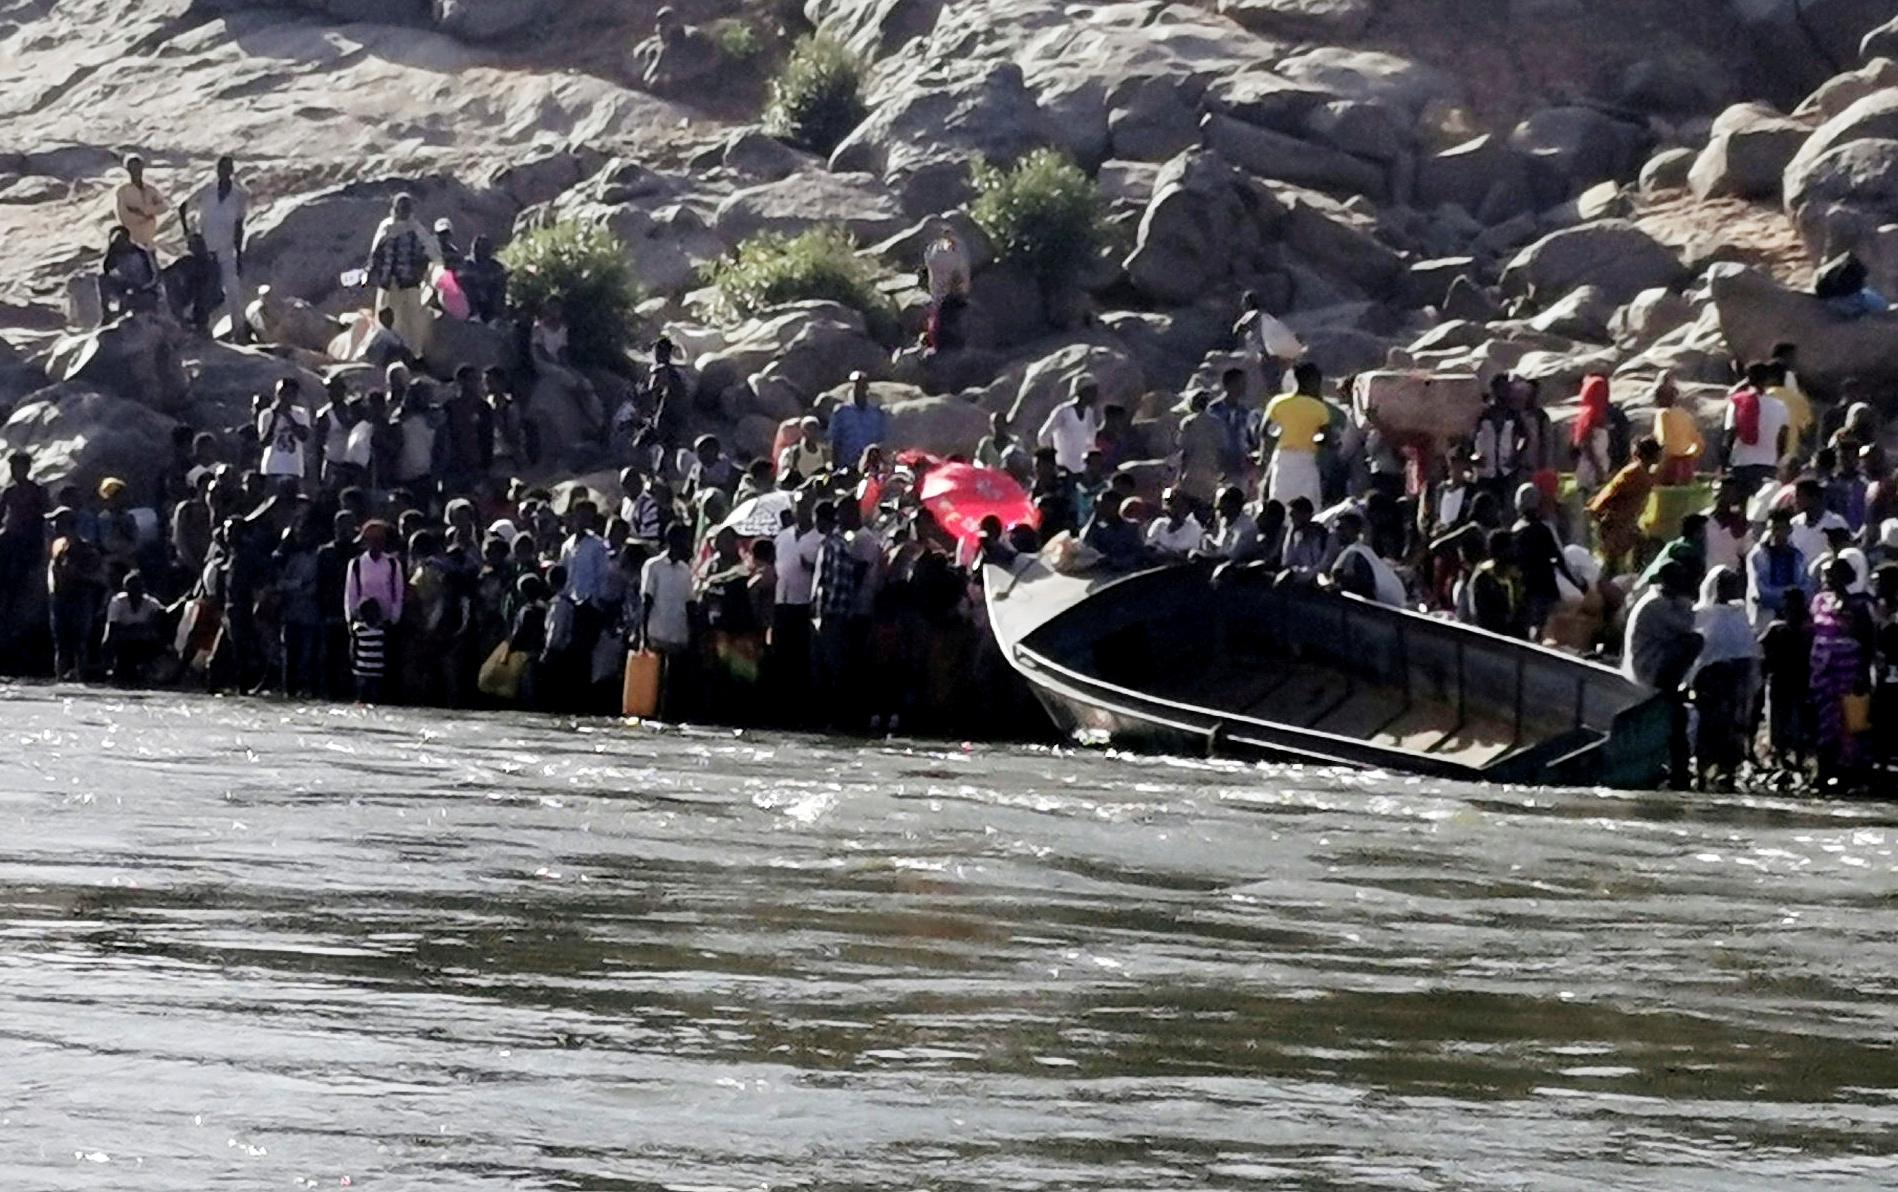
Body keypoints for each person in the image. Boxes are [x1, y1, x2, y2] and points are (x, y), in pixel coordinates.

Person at [1623, 560, 1702, 787]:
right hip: (1648, 669)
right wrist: (1686, 602)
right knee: (1693, 641)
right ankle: (1669, 687)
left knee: (1678, 722)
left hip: (1655, 662)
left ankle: (1679, 771)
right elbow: (1686, 624)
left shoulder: (1665, 602)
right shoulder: (1655, 605)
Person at [1690, 566, 1758, 790]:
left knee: (1733, 727)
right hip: (1711, 679)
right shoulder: (1702, 614)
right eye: (1725, 584)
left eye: (1733, 584)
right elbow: (1699, 650)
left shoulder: (1739, 614)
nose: (1730, 589)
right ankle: (1702, 770)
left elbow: (1747, 649)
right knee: (1709, 726)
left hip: (1735, 680)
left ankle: (1728, 771)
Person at [1809, 558, 1874, 783]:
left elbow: (1866, 641)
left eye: (1832, 574)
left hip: (1848, 670)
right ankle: (1825, 770)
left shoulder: (1858, 605)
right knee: (1824, 719)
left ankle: (1850, 771)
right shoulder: (1819, 601)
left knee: (1850, 721)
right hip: (1823, 670)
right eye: (1825, 574)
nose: (1827, 579)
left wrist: (1862, 674)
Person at [180, 155, 249, 343]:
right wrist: (189, 234)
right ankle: (196, 328)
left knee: (233, 290)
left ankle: (240, 332)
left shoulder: (239, 196)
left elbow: (238, 226)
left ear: (232, 171)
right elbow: (184, 205)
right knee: (202, 290)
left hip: (226, 250)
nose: (224, 172)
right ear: (216, 170)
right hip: (204, 250)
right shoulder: (207, 189)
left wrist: (239, 253)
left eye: (228, 168)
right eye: (221, 168)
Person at [366, 193, 442, 355]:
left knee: (412, 321)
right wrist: (373, 273)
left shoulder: (416, 229)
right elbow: (375, 254)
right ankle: (386, 351)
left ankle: (414, 354)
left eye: (407, 208)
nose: (404, 211)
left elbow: (432, 253)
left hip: (410, 284)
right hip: (388, 284)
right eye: (401, 207)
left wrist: (422, 270)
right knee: (387, 318)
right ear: (394, 208)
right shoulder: (386, 227)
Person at [809, 500, 861, 720]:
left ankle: (836, 716)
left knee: (832, 667)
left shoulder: (833, 546)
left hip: (833, 616)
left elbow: (835, 584)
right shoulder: (835, 544)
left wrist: (824, 614)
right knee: (828, 667)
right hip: (832, 616)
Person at [1510, 483, 1578, 639]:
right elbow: (1558, 560)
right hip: (1545, 588)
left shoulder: (1515, 530)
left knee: (1532, 627)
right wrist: (1576, 582)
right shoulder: (1542, 529)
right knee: (1544, 629)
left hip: (1527, 589)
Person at [1260, 362, 1329, 510]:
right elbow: (1325, 438)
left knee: (1279, 501)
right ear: (1313, 381)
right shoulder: (1319, 408)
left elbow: (1265, 431)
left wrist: (1264, 456)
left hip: (1282, 459)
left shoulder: (1278, 402)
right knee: (1308, 504)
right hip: (1306, 460)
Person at [1758, 587, 1813, 771]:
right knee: (1777, 723)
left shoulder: (1807, 631)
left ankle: (1797, 760)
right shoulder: (1776, 629)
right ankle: (1781, 759)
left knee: (1798, 723)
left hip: (1799, 680)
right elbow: (1762, 651)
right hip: (1779, 680)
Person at [1587, 436, 1661, 575]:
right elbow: (1611, 491)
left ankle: (1633, 576)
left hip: (1626, 522)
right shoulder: (1633, 473)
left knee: (1640, 547)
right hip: (1615, 521)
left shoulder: (1642, 472)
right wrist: (1599, 512)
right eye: (1658, 453)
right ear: (1650, 455)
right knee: (1613, 560)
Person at [1722, 362, 1789, 496]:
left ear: (1747, 378)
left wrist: (1723, 463)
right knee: (1762, 509)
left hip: (1741, 463)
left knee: (1743, 507)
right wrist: (1777, 460)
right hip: (1769, 464)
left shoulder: (1737, 402)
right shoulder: (1780, 406)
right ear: (1768, 379)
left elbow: (1731, 434)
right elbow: (1783, 439)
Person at [1326, 511, 1406, 606]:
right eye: (1337, 529)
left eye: (1342, 528)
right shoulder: (1363, 551)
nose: (1339, 533)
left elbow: (1360, 588)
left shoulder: (1355, 554)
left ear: (1355, 530)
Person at [102, 570, 166, 684]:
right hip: (123, 642)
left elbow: (164, 615)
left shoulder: (151, 603)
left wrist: (150, 626)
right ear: (126, 588)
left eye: (138, 587)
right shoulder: (117, 602)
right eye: (132, 587)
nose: (136, 591)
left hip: (143, 642)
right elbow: (112, 627)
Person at [1036, 378, 1103, 475]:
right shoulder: (1063, 411)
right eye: (1092, 391)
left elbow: (1090, 440)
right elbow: (1043, 436)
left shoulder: (1089, 413)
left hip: (1081, 469)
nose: (1095, 395)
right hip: (1062, 469)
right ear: (1082, 392)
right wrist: (1052, 460)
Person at [830, 372, 891, 476]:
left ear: (866, 389)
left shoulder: (876, 413)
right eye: (856, 386)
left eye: (862, 386)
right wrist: (835, 467)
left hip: (870, 467)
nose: (859, 390)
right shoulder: (841, 412)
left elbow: (882, 440)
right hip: (848, 467)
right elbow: (835, 441)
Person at [98, 225, 161, 317]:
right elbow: (149, 254)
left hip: (122, 252)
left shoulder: (126, 288)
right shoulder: (149, 280)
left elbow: (108, 274)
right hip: (132, 248)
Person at [1650, 377, 1702, 485]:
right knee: (1684, 498)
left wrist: (1659, 466)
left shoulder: (1663, 414)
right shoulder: (1684, 414)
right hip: (1686, 464)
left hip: (1670, 464)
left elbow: (1663, 441)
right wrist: (1691, 456)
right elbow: (1698, 441)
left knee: (1667, 498)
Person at [256, 379, 310, 480]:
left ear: (294, 396)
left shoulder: (301, 413)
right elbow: (264, 442)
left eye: (289, 394)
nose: (284, 397)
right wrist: (275, 417)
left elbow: (303, 437)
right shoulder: (266, 414)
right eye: (281, 393)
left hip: (294, 468)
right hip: (272, 468)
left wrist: (287, 416)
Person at [114, 154, 167, 250]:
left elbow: (163, 206)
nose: (136, 170)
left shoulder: (150, 190)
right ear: (128, 170)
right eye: (132, 167)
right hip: (132, 242)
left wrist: (147, 211)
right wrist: (143, 217)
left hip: (149, 238)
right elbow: (123, 216)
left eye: (138, 167)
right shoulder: (123, 191)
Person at [457, 234, 508, 323]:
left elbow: (501, 275)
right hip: (471, 302)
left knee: (498, 285)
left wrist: (491, 278)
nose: (480, 252)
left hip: (489, 301)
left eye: (484, 249)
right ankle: (474, 314)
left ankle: (495, 317)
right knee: (468, 285)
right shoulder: (466, 263)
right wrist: (478, 278)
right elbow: (461, 276)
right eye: (477, 249)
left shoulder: (495, 266)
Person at [1144, 488, 1203, 560]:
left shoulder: (1194, 527)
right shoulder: (1160, 523)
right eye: (1170, 505)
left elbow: (1189, 555)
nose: (1174, 510)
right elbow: (1149, 549)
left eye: (1179, 506)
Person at [350, 597, 390, 702]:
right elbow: (385, 650)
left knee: (360, 698)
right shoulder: (381, 629)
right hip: (377, 668)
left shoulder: (359, 628)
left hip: (361, 669)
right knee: (375, 698)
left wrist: (353, 662)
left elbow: (353, 647)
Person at [778, 416, 831, 484]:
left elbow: (827, 473)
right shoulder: (795, 451)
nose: (812, 433)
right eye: (809, 429)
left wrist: (824, 480)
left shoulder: (823, 451)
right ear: (802, 432)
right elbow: (787, 474)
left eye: (815, 429)